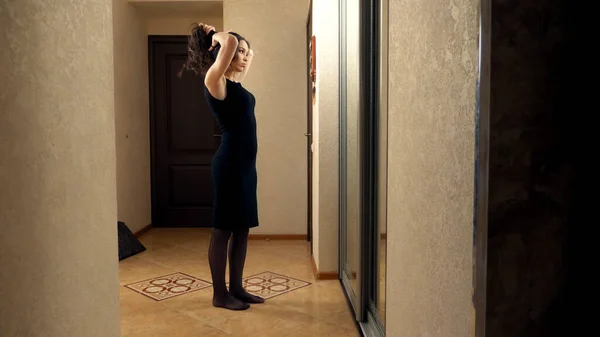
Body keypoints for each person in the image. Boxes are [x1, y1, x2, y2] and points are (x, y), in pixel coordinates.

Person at [180, 23, 263, 310]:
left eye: (243, 52)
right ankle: (219, 294)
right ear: (221, 53)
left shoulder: (236, 84)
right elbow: (227, 44)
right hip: (228, 166)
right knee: (223, 229)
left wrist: (244, 48)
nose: (243, 55)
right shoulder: (214, 81)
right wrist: (214, 36)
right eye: (238, 51)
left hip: (245, 168)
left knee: (242, 229)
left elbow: (249, 54)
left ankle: (237, 288)